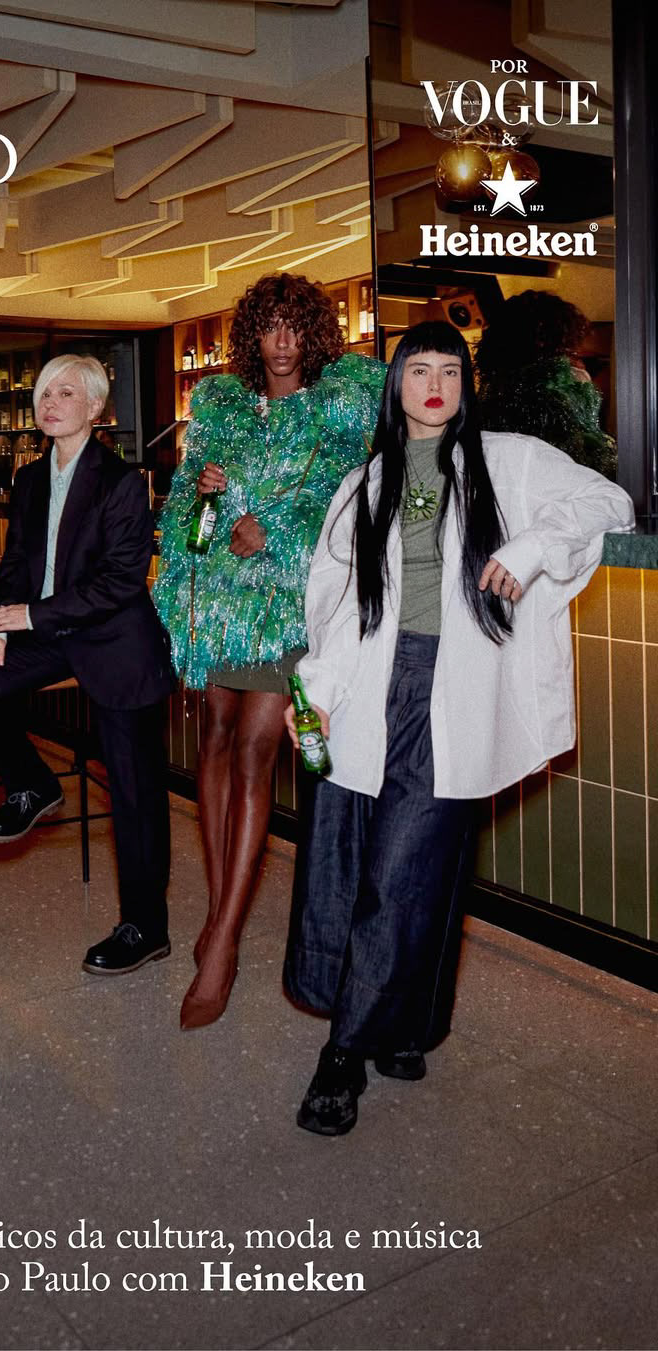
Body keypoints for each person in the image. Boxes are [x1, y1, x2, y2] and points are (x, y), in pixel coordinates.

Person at [283, 321, 633, 1136]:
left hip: (453, 693)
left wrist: (535, 546)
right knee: (366, 866)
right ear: (396, 384)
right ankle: (406, 1026)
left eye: (449, 370)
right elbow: (333, 601)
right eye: (419, 370)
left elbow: (607, 500)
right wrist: (317, 691)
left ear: (465, 384)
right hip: (369, 691)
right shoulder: (365, 483)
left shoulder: (509, 460)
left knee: (404, 871)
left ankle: (343, 1055)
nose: (434, 384)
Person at [152, 273, 385, 1029]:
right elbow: (185, 520)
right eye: (268, 326)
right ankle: (221, 907)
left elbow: (345, 501)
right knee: (214, 744)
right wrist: (207, 499)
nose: (281, 341)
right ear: (252, 335)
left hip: (288, 607)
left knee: (255, 753)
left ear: (313, 335)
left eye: (294, 326)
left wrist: (276, 534)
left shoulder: (337, 410)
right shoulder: (221, 409)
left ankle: (222, 940)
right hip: (221, 606)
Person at [0, 355, 175, 976]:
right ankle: (34, 783)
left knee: (135, 794)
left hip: (115, 641)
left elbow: (120, 581)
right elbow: (17, 561)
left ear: (95, 408)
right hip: (46, 632)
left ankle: (146, 927)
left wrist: (30, 616)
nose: (50, 403)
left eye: (65, 393)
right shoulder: (29, 479)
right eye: (45, 393)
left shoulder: (122, 481)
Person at [475, 289, 616, 478]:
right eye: (570, 352)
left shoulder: (492, 394)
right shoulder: (557, 395)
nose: (576, 362)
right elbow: (589, 464)